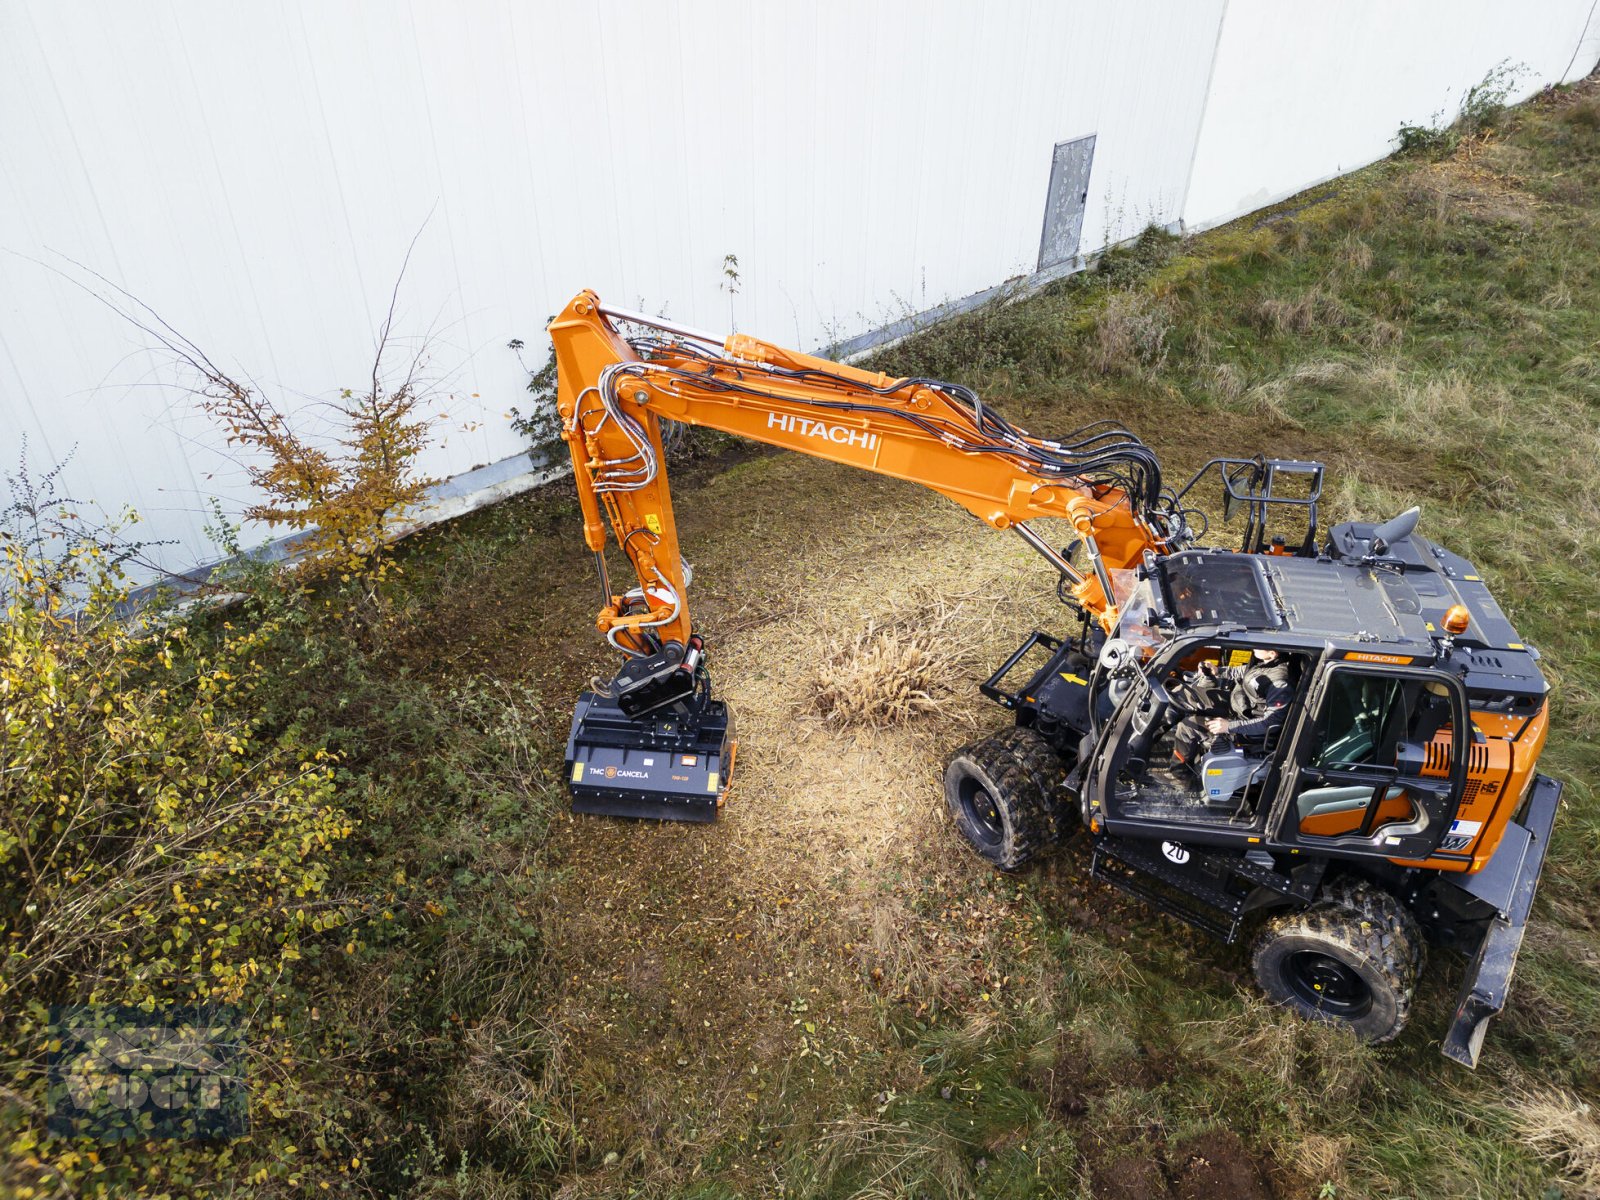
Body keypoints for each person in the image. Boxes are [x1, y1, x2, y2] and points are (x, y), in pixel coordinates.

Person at [1172, 648, 1294, 768]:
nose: (1254, 647)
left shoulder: (1279, 683)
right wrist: (1217, 671)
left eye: (1259, 646)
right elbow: (1245, 672)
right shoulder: (1266, 663)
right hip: (1239, 705)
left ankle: (1179, 777)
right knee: (1182, 694)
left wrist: (1229, 726)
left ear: (1272, 654)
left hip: (1247, 729)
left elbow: (1270, 723)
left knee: (1187, 727)